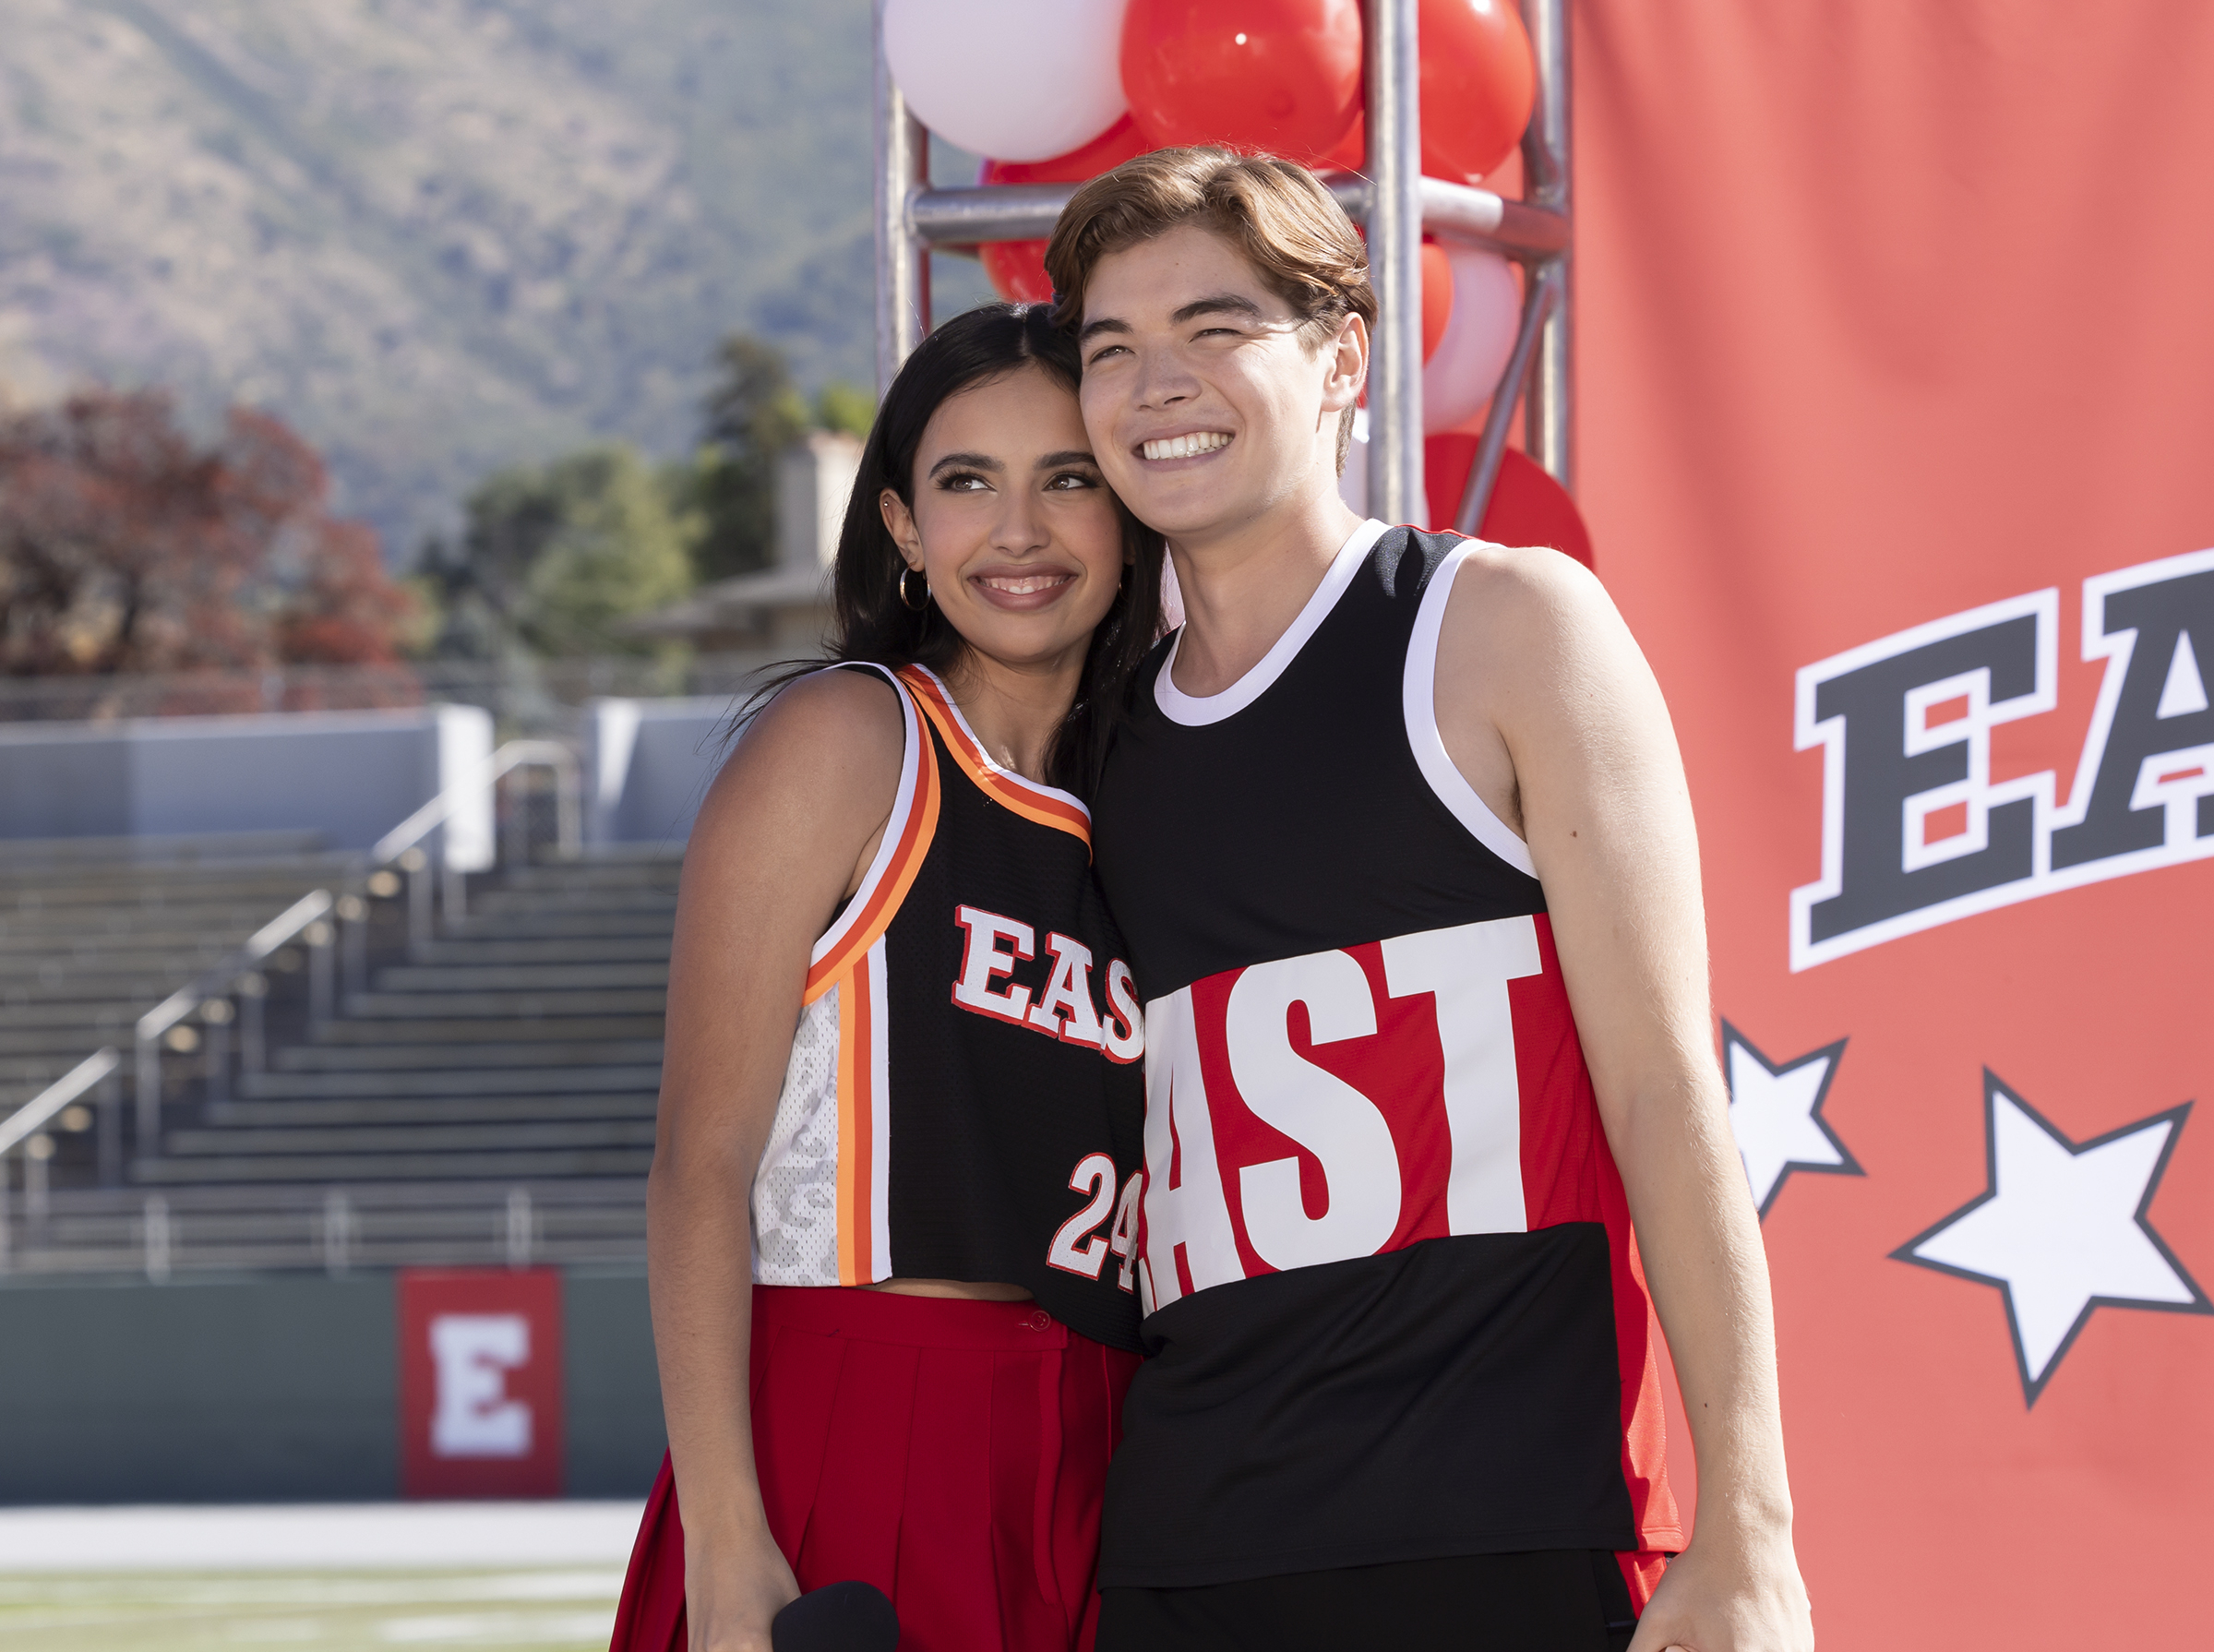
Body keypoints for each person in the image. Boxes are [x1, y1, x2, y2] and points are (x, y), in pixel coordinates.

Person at [1042, 149, 1816, 1652]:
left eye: (1214, 328)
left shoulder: (1505, 627)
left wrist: (1752, 1527)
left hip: (1515, 1526)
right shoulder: (1092, 741)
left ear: (1345, 356)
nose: (1156, 383)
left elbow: (1664, 1090)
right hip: (1193, 1552)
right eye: (1112, 348)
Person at [609, 302, 1162, 1652]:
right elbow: (698, 1163)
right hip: (860, 1427)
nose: (1019, 531)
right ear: (905, 527)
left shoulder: (1160, 802)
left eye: (1069, 480)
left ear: (1127, 514)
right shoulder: (850, 740)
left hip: (1110, 1449)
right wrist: (727, 1539)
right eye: (968, 482)